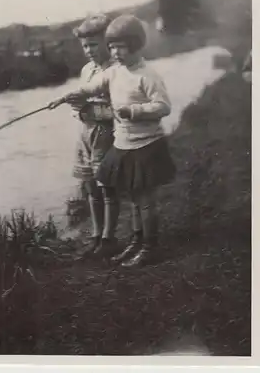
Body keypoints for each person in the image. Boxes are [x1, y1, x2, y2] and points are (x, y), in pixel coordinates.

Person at [50, 14, 176, 267]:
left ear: (137, 45)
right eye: (112, 47)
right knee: (134, 195)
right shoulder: (115, 72)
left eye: (121, 47)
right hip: (124, 144)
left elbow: (163, 106)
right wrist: (66, 97)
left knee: (144, 200)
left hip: (146, 145)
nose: (115, 53)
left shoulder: (147, 75)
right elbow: (90, 88)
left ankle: (150, 247)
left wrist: (134, 111)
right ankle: (137, 241)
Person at [67, 14, 120, 259]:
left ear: (108, 42)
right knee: (89, 185)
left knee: (106, 186)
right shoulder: (87, 70)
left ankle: (109, 238)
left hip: (106, 134)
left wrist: (90, 110)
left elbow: (119, 110)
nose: (89, 50)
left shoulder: (117, 69)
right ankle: (97, 235)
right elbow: (85, 101)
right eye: (85, 46)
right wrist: (78, 106)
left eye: (94, 44)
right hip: (85, 133)